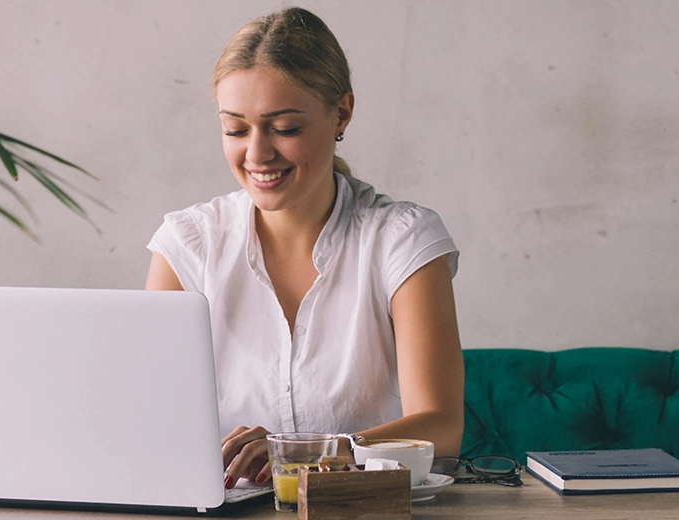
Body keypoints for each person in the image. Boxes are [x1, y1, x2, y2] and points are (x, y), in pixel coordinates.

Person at [144, 7, 464, 488]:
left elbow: (440, 427)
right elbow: (147, 420)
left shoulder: (401, 240)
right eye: (235, 129)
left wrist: (302, 454)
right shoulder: (187, 245)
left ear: (342, 112)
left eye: (285, 128)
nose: (256, 154)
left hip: (362, 511)